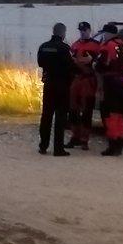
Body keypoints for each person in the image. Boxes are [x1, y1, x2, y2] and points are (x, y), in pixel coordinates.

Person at [95, 21, 123, 157]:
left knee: (109, 114)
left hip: (110, 83)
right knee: (120, 114)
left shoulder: (107, 47)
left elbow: (99, 66)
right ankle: (119, 144)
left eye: (104, 34)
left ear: (108, 34)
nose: (103, 36)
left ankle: (112, 144)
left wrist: (93, 62)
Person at [35, 22, 74, 155]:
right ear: (63, 33)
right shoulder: (65, 48)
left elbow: (40, 63)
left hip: (49, 84)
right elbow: (71, 66)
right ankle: (58, 148)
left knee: (46, 115)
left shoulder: (43, 47)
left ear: (53, 31)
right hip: (62, 85)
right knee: (60, 117)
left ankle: (43, 146)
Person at [67, 20, 101, 150]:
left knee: (87, 111)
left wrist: (92, 61)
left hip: (89, 80)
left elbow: (100, 64)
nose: (82, 32)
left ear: (89, 31)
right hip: (77, 80)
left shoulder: (96, 46)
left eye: (84, 30)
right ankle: (75, 136)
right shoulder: (75, 45)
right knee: (73, 110)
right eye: (80, 30)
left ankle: (84, 139)